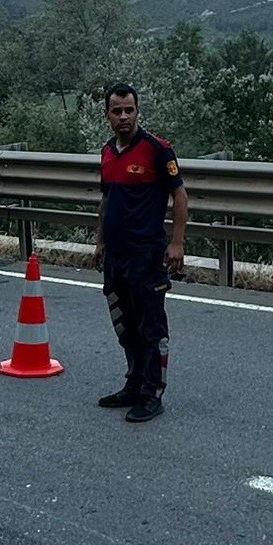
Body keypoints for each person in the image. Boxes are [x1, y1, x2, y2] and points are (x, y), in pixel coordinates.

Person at [94, 83, 189, 423]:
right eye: (117, 110)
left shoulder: (157, 150)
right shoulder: (107, 152)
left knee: (151, 328)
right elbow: (107, 200)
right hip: (116, 256)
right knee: (125, 326)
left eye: (129, 110)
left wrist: (176, 243)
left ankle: (152, 393)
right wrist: (100, 242)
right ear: (107, 115)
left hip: (146, 255)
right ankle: (133, 384)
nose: (124, 116)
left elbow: (180, 196)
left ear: (137, 111)